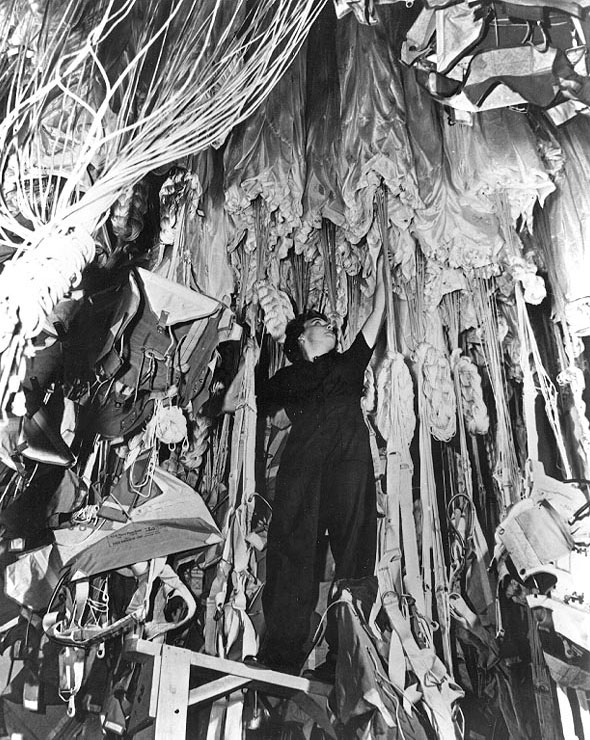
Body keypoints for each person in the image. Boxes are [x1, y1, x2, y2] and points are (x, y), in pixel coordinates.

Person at [248, 253, 386, 677]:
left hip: (349, 463)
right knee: (292, 548)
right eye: (320, 324)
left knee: (354, 551)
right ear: (300, 340)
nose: (331, 327)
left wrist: (381, 274)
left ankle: (342, 656)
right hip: (304, 467)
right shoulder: (288, 377)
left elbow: (375, 319)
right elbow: (250, 397)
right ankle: (282, 653)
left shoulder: (347, 366)